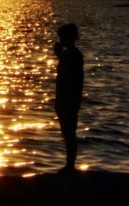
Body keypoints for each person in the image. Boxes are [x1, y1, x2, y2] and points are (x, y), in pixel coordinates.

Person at [54, 22, 84, 172]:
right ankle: (69, 164)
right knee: (68, 132)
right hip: (67, 98)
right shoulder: (72, 54)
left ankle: (70, 165)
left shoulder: (72, 55)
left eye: (62, 37)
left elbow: (68, 76)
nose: (60, 40)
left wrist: (59, 55)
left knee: (69, 132)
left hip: (68, 98)